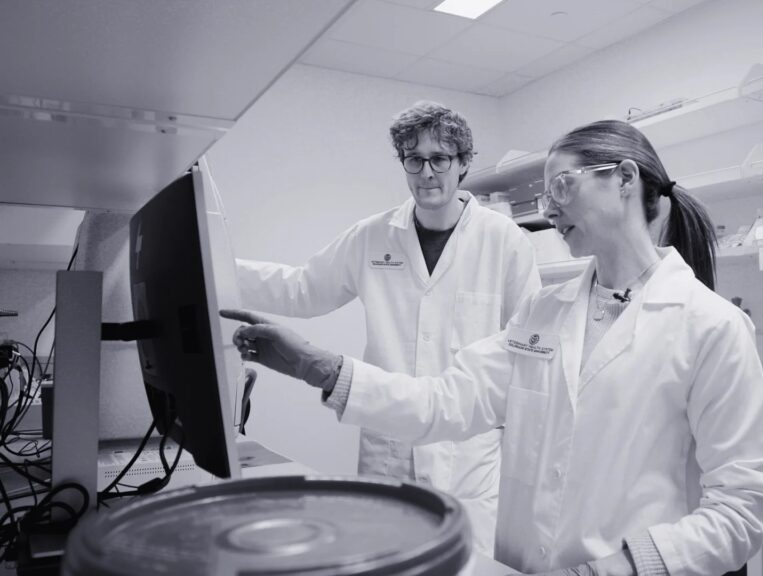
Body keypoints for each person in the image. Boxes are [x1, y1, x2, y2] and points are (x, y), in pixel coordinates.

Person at [224, 119, 763, 576]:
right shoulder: (544, 315)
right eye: (544, 192)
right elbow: (444, 402)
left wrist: (618, 568)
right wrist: (314, 366)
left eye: (562, 186)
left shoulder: (712, 326)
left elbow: (743, 511)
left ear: (625, 178)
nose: (548, 208)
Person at [231, 100, 541, 555]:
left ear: (463, 163)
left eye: (439, 158)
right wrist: (215, 265)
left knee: (463, 565)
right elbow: (301, 288)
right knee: (387, 558)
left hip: (466, 456)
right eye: (413, 159)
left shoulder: (504, 240)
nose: (426, 172)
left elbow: (527, 351)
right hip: (388, 447)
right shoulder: (371, 236)